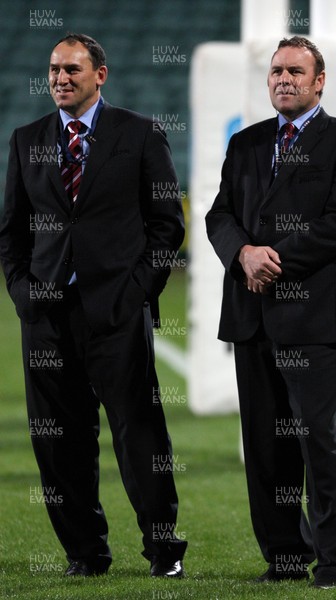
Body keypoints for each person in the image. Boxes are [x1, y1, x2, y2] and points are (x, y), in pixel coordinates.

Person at [0, 33, 187, 578]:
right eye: (54, 69)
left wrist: (136, 293)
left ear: (99, 74)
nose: (60, 78)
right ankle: (84, 553)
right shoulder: (25, 138)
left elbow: (166, 226)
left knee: (139, 433)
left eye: (72, 69)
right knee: (58, 441)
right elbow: (11, 233)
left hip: (116, 314)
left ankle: (162, 549)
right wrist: (23, 293)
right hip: (46, 317)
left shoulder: (140, 133)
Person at [206, 36, 336, 589]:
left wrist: (271, 261)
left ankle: (334, 562)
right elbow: (219, 214)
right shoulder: (247, 143)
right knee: (264, 445)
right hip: (251, 316)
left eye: (295, 72)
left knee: (319, 443)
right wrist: (242, 253)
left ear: (319, 80)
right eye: (276, 71)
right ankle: (283, 556)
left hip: (312, 319)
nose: (283, 79)